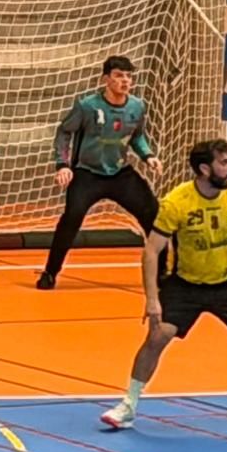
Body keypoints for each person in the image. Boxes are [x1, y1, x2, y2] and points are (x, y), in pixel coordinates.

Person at [100, 140, 227, 431]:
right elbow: (151, 251)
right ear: (204, 169)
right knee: (158, 337)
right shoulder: (177, 202)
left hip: (226, 282)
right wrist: (152, 299)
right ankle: (128, 406)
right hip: (185, 284)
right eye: (224, 163)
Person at [38, 55, 163, 290]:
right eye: (119, 76)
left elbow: (137, 136)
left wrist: (148, 156)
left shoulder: (137, 106)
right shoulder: (87, 106)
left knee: (154, 215)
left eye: (129, 76)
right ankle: (50, 272)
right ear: (106, 79)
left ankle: (163, 274)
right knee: (71, 218)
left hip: (120, 173)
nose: (125, 81)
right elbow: (64, 132)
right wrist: (62, 165)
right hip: (88, 174)